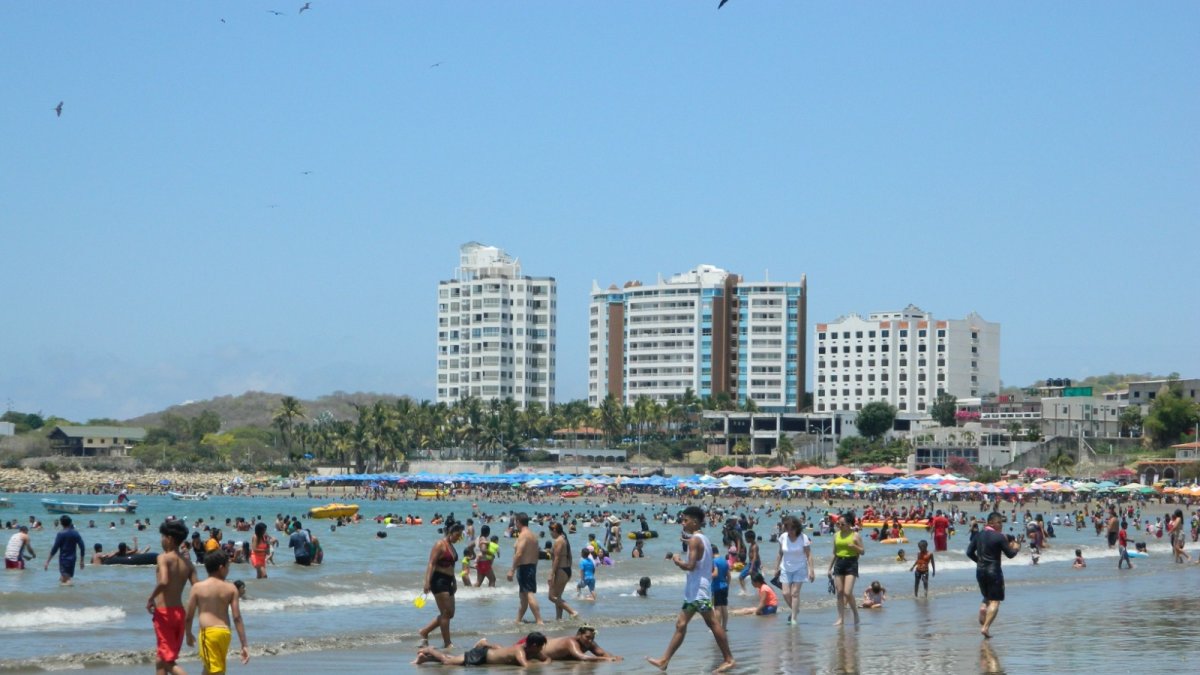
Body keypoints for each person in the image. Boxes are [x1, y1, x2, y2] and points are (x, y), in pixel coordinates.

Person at [646, 505, 735, 673]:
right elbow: (701, 557)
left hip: (699, 590)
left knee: (713, 624)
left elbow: (690, 565)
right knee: (681, 624)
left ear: (694, 522)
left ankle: (729, 659)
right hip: (693, 591)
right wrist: (688, 542)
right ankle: (664, 660)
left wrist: (677, 560)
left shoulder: (696, 540)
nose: (682, 523)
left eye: (685, 520)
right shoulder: (703, 539)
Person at [185, 550, 249, 674]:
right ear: (221, 568)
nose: (229, 570)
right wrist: (244, 644)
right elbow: (237, 618)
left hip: (208, 634)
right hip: (224, 633)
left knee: (214, 670)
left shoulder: (197, 587)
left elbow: (189, 616)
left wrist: (188, 633)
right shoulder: (231, 588)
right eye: (228, 566)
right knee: (211, 668)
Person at [147, 520, 196, 675]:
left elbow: (163, 581)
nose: (161, 540)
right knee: (161, 659)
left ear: (169, 539)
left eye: (162, 536)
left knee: (168, 662)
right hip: (179, 614)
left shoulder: (163, 558)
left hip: (164, 614)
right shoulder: (188, 563)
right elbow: (197, 588)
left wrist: (150, 598)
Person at [965, 511, 1020, 638]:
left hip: (980, 571)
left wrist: (979, 561)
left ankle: (983, 607)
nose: (1001, 525)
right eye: (999, 523)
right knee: (995, 601)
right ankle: (985, 628)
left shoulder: (978, 535)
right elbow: (1010, 555)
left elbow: (969, 552)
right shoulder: (999, 537)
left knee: (987, 597)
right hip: (994, 572)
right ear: (991, 523)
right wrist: (1016, 547)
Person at [419, 522, 464, 650]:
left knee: (450, 614)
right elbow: (431, 564)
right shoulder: (440, 544)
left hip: (449, 580)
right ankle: (447, 643)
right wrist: (427, 581)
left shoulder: (451, 546)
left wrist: (454, 581)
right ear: (450, 533)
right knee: (445, 612)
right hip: (438, 580)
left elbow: (452, 566)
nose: (458, 538)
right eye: (456, 535)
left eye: (460, 536)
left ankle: (424, 631)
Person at [413, 633, 550, 667]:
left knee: (451, 661)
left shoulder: (533, 650)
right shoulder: (519, 651)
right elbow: (525, 666)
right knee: (447, 661)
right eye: (540, 646)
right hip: (481, 655)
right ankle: (429, 650)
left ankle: (425, 658)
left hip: (484, 658)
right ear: (533, 645)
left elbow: (547, 659)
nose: (542, 649)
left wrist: (545, 661)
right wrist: (541, 664)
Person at [774, 514, 814, 625]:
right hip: (785, 568)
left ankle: (794, 618)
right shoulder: (783, 537)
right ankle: (795, 609)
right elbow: (780, 553)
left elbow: (809, 555)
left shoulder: (803, 537)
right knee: (785, 593)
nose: (790, 531)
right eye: (787, 528)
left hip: (800, 568)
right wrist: (776, 567)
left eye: (792, 528)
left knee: (795, 593)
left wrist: (811, 570)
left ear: (797, 527)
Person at [827, 511, 864, 627]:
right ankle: (840, 618)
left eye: (842, 524)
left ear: (849, 524)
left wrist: (855, 546)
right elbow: (834, 553)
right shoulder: (836, 535)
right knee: (839, 593)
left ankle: (856, 614)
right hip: (839, 563)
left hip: (851, 563)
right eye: (838, 524)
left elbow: (862, 551)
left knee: (847, 593)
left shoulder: (855, 535)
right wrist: (829, 568)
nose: (839, 526)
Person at [506, 512, 543, 625]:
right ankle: (517, 620)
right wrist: (534, 567)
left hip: (524, 568)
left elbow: (519, 553)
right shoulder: (533, 536)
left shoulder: (523, 535)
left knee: (528, 594)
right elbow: (536, 554)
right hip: (530, 566)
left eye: (516, 522)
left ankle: (539, 620)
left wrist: (512, 569)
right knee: (523, 597)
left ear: (518, 522)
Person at [547, 522, 578, 619]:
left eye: (551, 531)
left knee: (551, 596)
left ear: (555, 530)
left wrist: (551, 574)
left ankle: (572, 612)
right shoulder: (564, 539)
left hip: (561, 570)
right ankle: (559, 619)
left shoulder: (559, 541)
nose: (550, 534)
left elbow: (556, 558)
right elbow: (570, 556)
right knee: (558, 597)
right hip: (566, 570)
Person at [542, 626, 621, 662]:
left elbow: (602, 653)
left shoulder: (588, 642)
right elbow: (583, 657)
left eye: (592, 638)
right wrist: (606, 659)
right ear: (579, 635)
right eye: (587, 637)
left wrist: (613, 657)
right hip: (541, 646)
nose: (590, 640)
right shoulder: (570, 642)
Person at [44, 515, 85, 584]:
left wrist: (47, 561)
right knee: (63, 578)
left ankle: (71, 592)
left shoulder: (61, 534)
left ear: (61, 523)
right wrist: (82, 561)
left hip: (64, 559)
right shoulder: (76, 533)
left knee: (67, 579)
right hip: (73, 559)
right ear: (70, 522)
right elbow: (82, 547)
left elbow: (55, 549)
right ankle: (63, 593)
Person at [710, 544, 731, 629]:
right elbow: (729, 576)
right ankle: (724, 627)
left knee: (717, 608)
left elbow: (715, 574)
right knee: (724, 607)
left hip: (717, 587)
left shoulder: (714, 561)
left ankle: (717, 628)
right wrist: (727, 586)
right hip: (724, 586)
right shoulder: (724, 561)